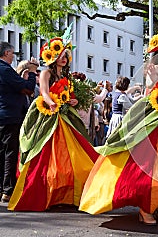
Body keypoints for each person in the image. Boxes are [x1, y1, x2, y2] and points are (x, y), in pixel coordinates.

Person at [79, 27, 158, 226]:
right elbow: (150, 87)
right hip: (152, 118)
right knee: (149, 164)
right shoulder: (152, 70)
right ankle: (146, 207)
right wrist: (154, 76)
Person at [8, 32, 99, 211]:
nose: (63, 58)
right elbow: (44, 92)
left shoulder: (67, 76)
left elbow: (70, 96)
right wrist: (51, 103)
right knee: (46, 157)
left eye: (65, 55)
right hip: (48, 114)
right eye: (59, 53)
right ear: (51, 55)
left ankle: (69, 194)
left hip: (65, 115)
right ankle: (47, 194)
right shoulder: (46, 73)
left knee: (74, 155)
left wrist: (73, 101)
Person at [0, 42, 37, 203]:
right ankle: (7, 190)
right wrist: (33, 71)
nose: (13, 56)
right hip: (10, 116)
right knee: (10, 153)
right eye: (12, 53)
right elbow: (28, 88)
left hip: (3, 115)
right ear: (7, 53)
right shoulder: (5, 70)